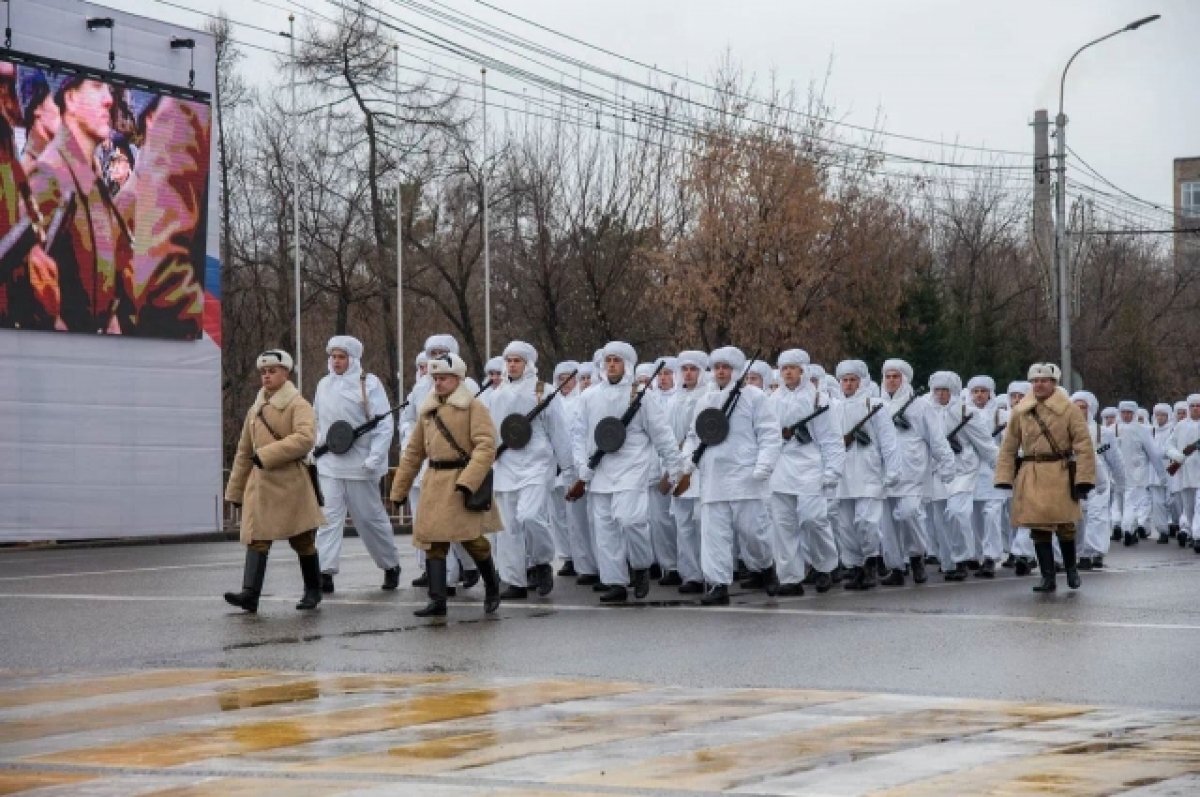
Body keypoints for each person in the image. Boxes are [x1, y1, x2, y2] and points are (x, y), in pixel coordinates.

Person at [388, 353, 503, 617]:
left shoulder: (473, 407)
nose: (438, 383)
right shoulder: (427, 410)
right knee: (433, 542)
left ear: (457, 379)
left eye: (443, 378)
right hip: (434, 482)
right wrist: (399, 490)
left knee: (472, 541)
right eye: (435, 378)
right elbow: (414, 453)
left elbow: (486, 447)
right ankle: (437, 600)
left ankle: (492, 587)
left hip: (461, 482)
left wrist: (469, 481)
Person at [568, 341, 683, 603]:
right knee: (605, 529)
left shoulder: (641, 395)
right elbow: (578, 434)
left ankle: (641, 565)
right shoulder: (588, 397)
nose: (611, 365)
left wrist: (673, 467)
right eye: (608, 360)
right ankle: (615, 582)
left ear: (627, 364)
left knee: (630, 520)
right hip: (599, 471)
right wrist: (581, 465)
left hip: (632, 468)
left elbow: (661, 434)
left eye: (616, 360)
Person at [27, 77, 134, 334]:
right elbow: (24, 298)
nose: (109, 99)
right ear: (71, 98)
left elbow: (105, 298)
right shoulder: (50, 175)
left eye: (108, 89)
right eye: (97, 87)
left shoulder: (94, 182)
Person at [223, 350, 327, 613]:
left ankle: (313, 590)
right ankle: (250, 594)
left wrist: (267, 455)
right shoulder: (255, 408)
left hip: (291, 483)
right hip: (261, 484)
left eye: (272, 371)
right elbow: (244, 451)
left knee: (302, 539)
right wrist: (234, 490)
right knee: (256, 538)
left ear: (286, 373)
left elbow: (305, 439)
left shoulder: (298, 404)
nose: (266, 376)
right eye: (263, 372)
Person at [682, 347, 780, 605]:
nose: (721, 371)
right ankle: (717, 584)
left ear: (735, 370)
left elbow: (769, 433)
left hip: (746, 476)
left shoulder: (755, 397)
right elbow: (694, 435)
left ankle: (766, 566)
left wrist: (764, 465)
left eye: (726, 367)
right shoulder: (704, 400)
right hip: (713, 477)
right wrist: (687, 464)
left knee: (753, 533)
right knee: (714, 535)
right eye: (717, 367)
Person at [994, 363, 1096, 593]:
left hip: (1059, 470)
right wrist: (1004, 475)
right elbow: (1009, 446)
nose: (1039, 385)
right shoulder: (1021, 410)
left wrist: (1084, 478)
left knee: (1065, 525)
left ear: (1054, 383)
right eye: (1035, 381)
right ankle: (1047, 577)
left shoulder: (1069, 410)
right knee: (1038, 527)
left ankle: (1071, 569)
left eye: (1044, 381)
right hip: (1032, 472)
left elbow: (1083, 445)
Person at [312, 336, 402, 594]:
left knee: (369, 519)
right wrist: (314, 446)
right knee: (328, 518)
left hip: (360, 465)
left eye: (342, 357)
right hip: (329, 463)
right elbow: (317, 419)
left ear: (352, 359)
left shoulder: (369, 384)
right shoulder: (323, 385)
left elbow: (384, 424)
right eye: (333, 356)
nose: (336, 361)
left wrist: (374, 457)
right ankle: (324, 572)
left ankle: (390, 564)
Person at [488, 341, 574, 599]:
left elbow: (559, 432)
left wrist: (568, 469)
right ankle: (515, 580)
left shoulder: (543, 391)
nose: (512, 364)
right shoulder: (497, 394)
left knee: (530, 515)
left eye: (517, 360)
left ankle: (542, 562)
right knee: (509, 526)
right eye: (509, 360)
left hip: (537, 463)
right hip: (506, 465)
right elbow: (492, 432)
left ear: (528, 363)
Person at [768, 349, 844, 595]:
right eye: (784, 368)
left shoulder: (819, 401)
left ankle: (825, 567)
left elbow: (831, 439)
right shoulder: (771, 400)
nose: (787, 372)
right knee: (784, 525)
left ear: (803, 371)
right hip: (780, 468)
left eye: (793, 368)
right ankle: (790, 578)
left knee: (813, 519)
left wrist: (832, 471)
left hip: (810, 466)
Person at [879, 359, 954, 586]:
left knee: (910, 513)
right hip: (882, 472)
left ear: (905, 379)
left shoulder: (920, 406)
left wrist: (947, 464)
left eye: (896, 376)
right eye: (888, 377)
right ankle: (896, 566)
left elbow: (937, 439)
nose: (891, 381)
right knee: (887, 524)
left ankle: (916, 556)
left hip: (912, 471)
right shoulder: (876, 405)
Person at [834, 360, 901, 590]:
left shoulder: (876, 405)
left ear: (861, 381)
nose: (849, 384)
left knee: (866, 521)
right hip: (842, 475)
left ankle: (871, 562)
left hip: (869, 472)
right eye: (845, 380)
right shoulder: (834, 406)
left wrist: (892, 470)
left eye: (853, 379)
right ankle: (855, 568)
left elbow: (888, 441)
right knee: (845, 526)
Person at [666, 350, 710, 593]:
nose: (689, 373)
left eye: (694, 369)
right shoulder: (674, 400)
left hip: (701, 468)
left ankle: (709, 571)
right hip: (679, 467)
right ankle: (691, 574)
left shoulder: (709, 396)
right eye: (685, 369)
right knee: (683, 525)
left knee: (703, 522)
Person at [1071, 390, 1125, 569]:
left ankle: (1095, 552)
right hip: (1077, 480)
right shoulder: (1067, 430)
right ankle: (1081, 552)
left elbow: (1114, 458)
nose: (1080, 411)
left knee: (1097, 517)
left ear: (1091, 409)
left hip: (1099, 481)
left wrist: (1120, 482)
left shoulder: (1103, 433)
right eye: (1076, 407)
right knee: (1080, 518)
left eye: (1083, 407)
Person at [967, 376, 1006, 578]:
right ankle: (977, 554)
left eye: (983, 391)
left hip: (993, 471)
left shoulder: (1001, 416)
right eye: (975, 391)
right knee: (974, 517)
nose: (979, 395)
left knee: (991, 515)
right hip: (971, 472)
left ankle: (991, 556)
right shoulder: (964, 414)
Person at [1115, 400, 1166, 546]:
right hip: (1117, 475)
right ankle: (1129, 528)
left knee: (1132, 502)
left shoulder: (1142, 430)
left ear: (1134, 413)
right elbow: (1105, 451)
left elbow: (1153, 453)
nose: (1126, 415)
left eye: (1129, 413)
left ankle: (1129, 530)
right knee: (1123, 504)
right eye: (1123, 412)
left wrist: (1161, 473)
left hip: (1137, 474)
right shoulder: (1113, 429)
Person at [1167, 395, 1200, 551]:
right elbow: (1169, 446)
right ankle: (1194, 534)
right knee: (1189, 508)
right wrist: (1176, 455)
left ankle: (1197, 535)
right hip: (1186, 474)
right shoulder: (1180, 426)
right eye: (1192, 406)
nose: (1195, 408)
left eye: (1198, 405)